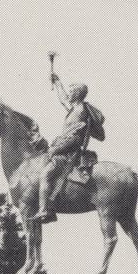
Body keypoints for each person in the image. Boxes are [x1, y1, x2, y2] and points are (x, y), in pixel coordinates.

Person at [32, 72, 104, 223]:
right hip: (65, 150)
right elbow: (63, 98)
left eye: (72, 91)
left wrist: (55, 149)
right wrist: (57, 82)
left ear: (77, 94)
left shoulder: (79, 112)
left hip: (68, 154)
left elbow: (76, 139)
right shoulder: (75, 108)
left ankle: (45, 210)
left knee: (44, 175)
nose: (69, 94)